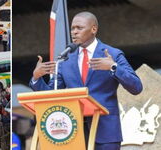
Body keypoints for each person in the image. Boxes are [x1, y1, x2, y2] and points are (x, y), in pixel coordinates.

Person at [30, 11, 143, 150]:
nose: (74, 32)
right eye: (72, 28)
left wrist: (113, 67)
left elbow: (136, 87)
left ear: (93, 29)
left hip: (105, 131)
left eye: (79, 28)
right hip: (73, 132)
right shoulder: (65, 60)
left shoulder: (112, 54)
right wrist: (36, 78)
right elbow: (51, 95)